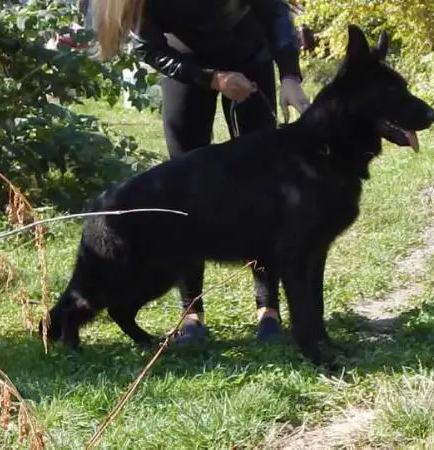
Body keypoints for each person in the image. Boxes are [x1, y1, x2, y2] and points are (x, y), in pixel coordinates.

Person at [91, 0, 311, 343]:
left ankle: (268, 308)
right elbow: (149, 48)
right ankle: (192, 313)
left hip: (250, 55)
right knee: (183, 197)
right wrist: (213, 79)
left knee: (262, 189)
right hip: (187, 65)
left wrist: (290, 76)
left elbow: (274, 11)